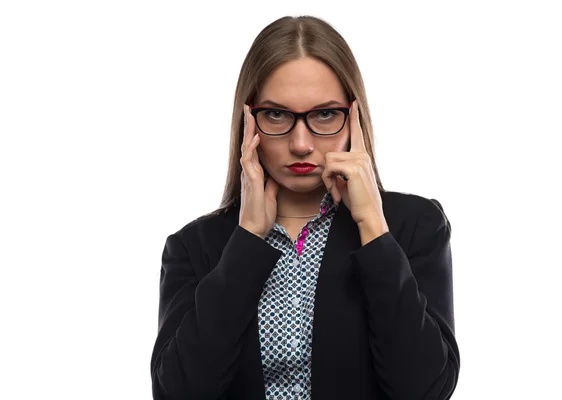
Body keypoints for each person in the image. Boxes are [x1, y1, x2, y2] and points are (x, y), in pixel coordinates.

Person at [150, 15, 460, 400]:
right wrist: (246, 240)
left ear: (354, 118)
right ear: (249, 120)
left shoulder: (414, 225)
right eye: (276, 114)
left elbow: (425, 389)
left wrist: (373, 229)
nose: (300, 143)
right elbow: (178, 393)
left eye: (324, 114)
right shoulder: (194, 246)